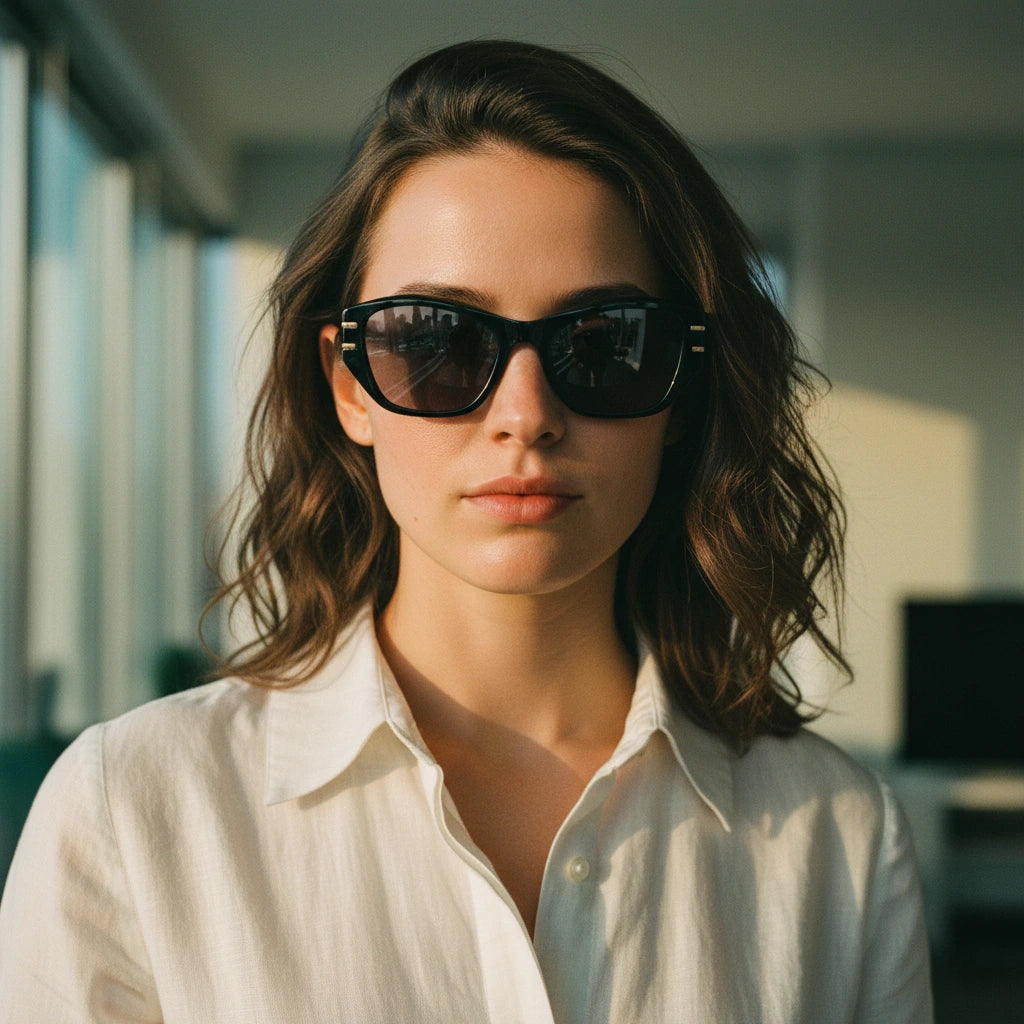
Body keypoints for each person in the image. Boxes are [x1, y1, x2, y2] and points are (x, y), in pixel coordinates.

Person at [0, 39, 933, 1023]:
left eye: (605, 343)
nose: (525, 414)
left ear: (682, 389)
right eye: (435, 341)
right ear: (348, 384)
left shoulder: (840, 842)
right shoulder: (133, 812)